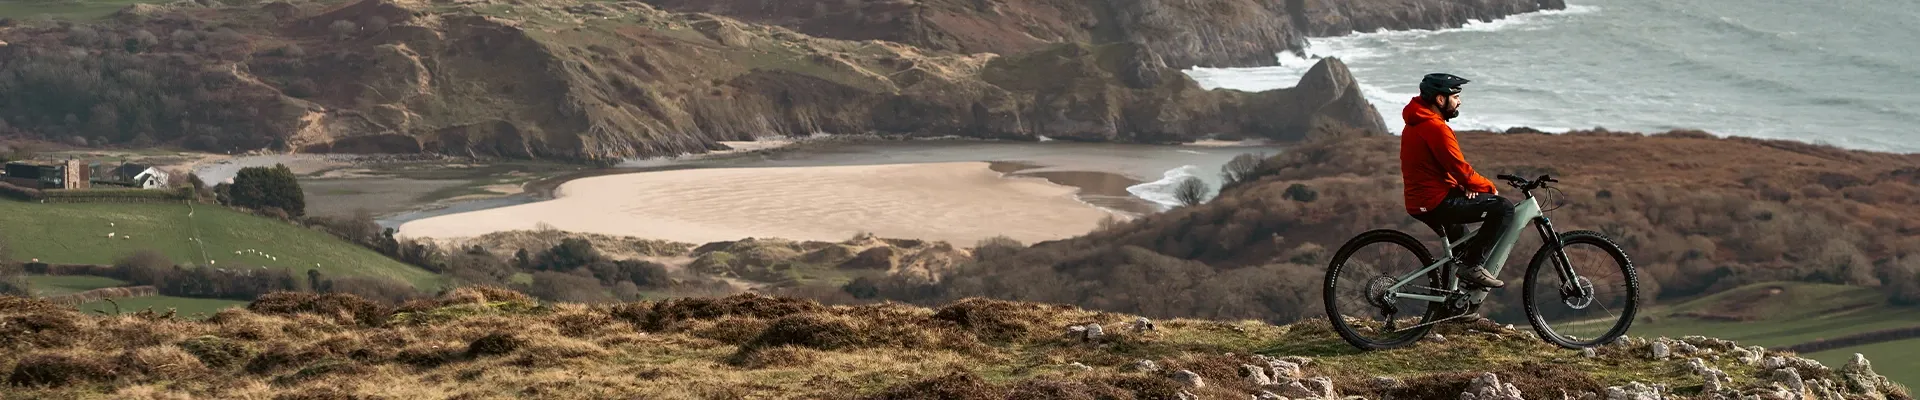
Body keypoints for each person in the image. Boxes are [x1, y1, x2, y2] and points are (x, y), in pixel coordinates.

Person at [1399, 73, 1514, 288]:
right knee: (1504, 208)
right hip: (1435, 202)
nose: (1459, 101)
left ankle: (1455, 305)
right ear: (1440, 100)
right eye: (1456, 96)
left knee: (1464, 247)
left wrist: (1462, 186)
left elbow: (1439, 166)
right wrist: (1488, 188)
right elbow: (1461, 170)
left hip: (1425, 199)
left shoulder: (1417, 121)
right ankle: (1472, 267)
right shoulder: (1436, 128)